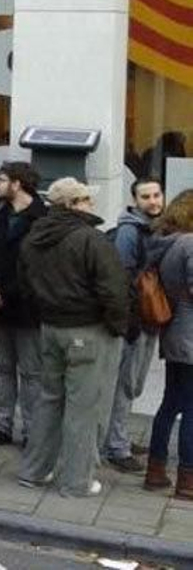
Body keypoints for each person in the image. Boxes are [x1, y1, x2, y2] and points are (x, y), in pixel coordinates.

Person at [15, 177, 131, 498]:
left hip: (50, 328)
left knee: (49, 399)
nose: (90, 204)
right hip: (89, 330)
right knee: (85, 408)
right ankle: (76, 481)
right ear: (72, 205)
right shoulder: (91, 240)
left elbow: (25, 284)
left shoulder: (33, 238)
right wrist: (119, 326)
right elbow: (114, 289)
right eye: (85, 200)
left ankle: (34, 470)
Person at [0, 161, 47, 449]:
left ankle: (31, 429)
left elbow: (37, 268)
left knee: (31, 371)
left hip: (26, 309)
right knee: (3, 367)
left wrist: (7, 293)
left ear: (17, 184)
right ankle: (2, 424)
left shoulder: (41, 219)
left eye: (2, 180)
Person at [104, 177, 166, 473]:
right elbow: (122, 279)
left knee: (134, 385)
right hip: (136, 321)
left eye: (156, 195)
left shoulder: (154, 228)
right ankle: (115, 446)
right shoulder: (130, 232)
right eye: (146, 197)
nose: (153, 201)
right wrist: (128, 322)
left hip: (150, 320)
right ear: (135, 200)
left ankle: (120, 436)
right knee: (124, 385)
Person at [146, 190, 193, 498]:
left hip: (174, 332)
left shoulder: (165, 242)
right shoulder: (190, 244)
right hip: (191, 336)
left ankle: (156, 470)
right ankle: (187, 481)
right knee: (191, 409)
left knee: (170, 403)